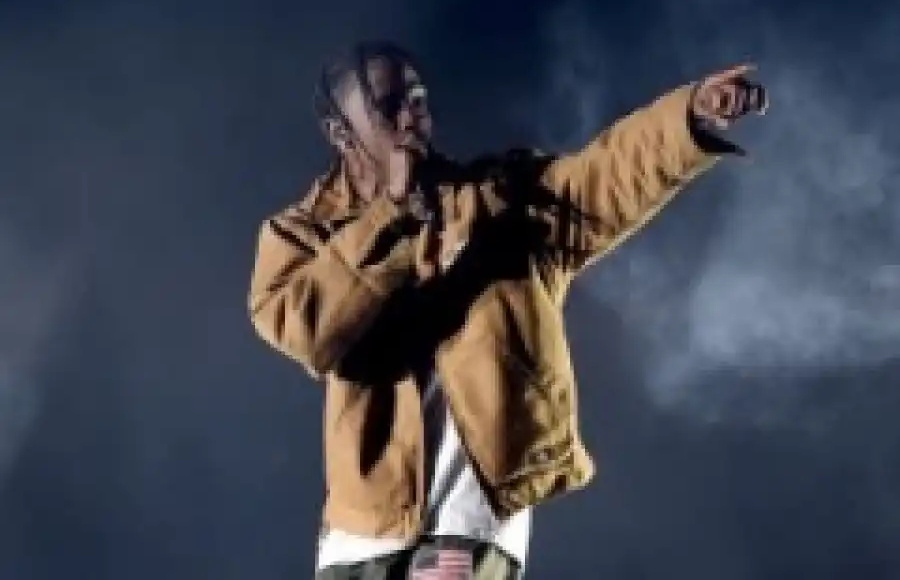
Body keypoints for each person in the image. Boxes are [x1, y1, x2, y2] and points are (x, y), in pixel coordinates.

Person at [247, 41, 769, 580]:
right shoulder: (303, 234)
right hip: (360, 532)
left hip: (465, 521)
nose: (410, 117)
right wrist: (391, 215)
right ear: (340, 133)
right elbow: (305, 331)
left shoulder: (502, 201)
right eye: (390, 105)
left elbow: (604, 178)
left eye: (418, 99)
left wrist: (688, 117)